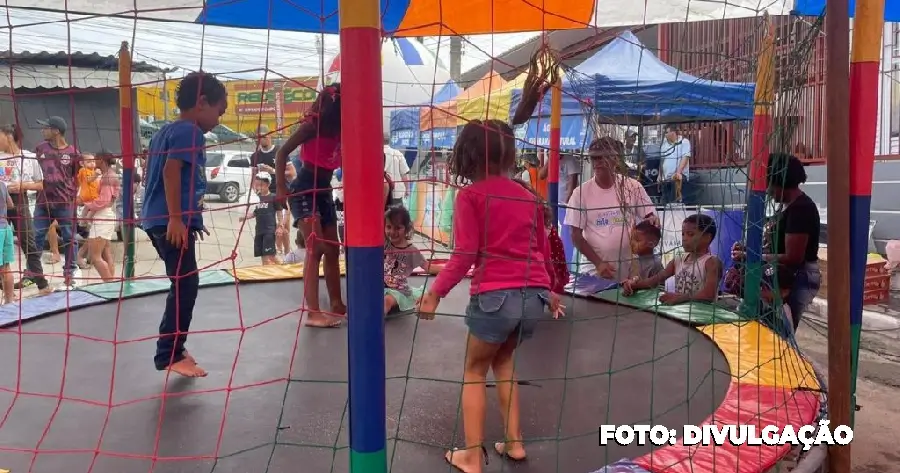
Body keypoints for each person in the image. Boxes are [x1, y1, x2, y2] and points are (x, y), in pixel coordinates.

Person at [417, 119, 564, 472]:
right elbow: (542, 251)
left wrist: (435, 293)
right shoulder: (529, 197)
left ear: (465, 157)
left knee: (474, 370)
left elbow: (465, 254)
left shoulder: (470, 196)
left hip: (496, 297)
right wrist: (552, 291)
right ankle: (514, 442)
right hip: (533, 297)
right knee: (504, 363)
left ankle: (471, 454)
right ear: (509, 154)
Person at [141, 71, 225, 378]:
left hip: (159, 220)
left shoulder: (168, 130)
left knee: (183, 282)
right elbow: (171, 172)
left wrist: (191, 219)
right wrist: (177, 218)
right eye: (219, 110)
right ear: (202, 102)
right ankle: (170, 353)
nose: (219, 118)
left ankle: (173, 348)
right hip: (168, 221)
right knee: (186, 284)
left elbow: (176, 176)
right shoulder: (191, 132)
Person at [275, 83, 345, 328]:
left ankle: (336, 303)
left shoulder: (342, 131)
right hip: (304, 189)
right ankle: (313, 312)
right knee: (316, 249)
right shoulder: (311, 127)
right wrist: (281, 187)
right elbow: (282, 152)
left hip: (324, 191)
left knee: (333, 250)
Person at [731, 153, 820, 331]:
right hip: (779, 274)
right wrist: (749, 248)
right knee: (765, 326)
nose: (767, 190)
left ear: (779, 182)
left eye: (768, 184)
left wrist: (752, 255)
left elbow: (793, 257)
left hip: (797, 277)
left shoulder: (800, 209)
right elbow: (774, 244)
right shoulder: (785, 205)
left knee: (781, 331)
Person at [565, 137, 659, 282]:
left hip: (629, 273)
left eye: (603, 157)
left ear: (616, 159)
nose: (598, 162)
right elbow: (575, 235)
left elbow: (649, 214)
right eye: (594, 158)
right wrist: (598, 263)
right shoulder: (580, 193)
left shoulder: (633, 186)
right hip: (594, 274)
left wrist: (652, 219)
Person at [622, 213, 722, 305]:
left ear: (707, 237)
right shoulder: (678, 259)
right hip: (681, 313)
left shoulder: (711, 262)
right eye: (683, 234)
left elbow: (709, 295)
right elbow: (654, 280)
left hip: (703, 318)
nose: (685, 238)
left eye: (691, 234)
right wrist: (633, 286)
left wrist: (681, 297)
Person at [0, 124, 50, 294]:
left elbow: (42, 184)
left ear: (8, 136)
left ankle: (42, 283)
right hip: (1, 204)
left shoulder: (28, 157)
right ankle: (6, 287)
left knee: (28, 243)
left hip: (20, 202)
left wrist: (24, 185)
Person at [34, 115, 81, 289]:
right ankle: (32, 273)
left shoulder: (73, 153)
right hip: (43, 202)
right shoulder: (40, 148)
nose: (42, 130)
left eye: (45, 127)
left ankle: (69, 274)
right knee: (36, 236)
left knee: (69, 238)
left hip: (65, 203)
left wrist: (71, 195)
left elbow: (75, 176)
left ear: (56, 131)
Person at [383, 206, 435, 316]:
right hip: (382, 286)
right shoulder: (384, 244)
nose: (392, 231)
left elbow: (427, 266)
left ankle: (373, 319)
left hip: (399, 291)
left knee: (386, 301)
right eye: (388, 227)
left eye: (398, 228)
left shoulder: (411, 250)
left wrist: (451, 268)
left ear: (406, 229)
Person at [81, 152, 120, 282]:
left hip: (103, 216)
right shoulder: (106, 175)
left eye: (96, 159)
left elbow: (104, 200)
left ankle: (109, 283)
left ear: (102, 160)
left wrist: (87, 205)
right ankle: (111, 282)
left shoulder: (108, 177)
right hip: (107, 214)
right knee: (106, 253)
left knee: (95, 256)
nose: (94, 161)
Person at [251, 125, 289, 254]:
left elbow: (292, 173)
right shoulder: (255, 156)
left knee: (283, 226)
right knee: (267, 228)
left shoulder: (280, 152)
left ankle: (287, 254)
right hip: (265, 196)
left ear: (270, 135)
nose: (262, 140)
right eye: (259, 137)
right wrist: (254, 193)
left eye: (264, 136)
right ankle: (274, 252)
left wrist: (273, 171)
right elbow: (253, 177)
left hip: (280, 192)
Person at [240, 173, 280, 266]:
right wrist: (244, 217)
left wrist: (280, 226)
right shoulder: (256, 198)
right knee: (262, 255)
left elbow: (279, 212)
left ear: (268, 184)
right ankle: (265, 272)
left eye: (261, 185)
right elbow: (255, 213)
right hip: (259, 230)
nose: (258, 187)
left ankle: (284, 268)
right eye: (257, 185)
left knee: (270, 255)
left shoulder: (273, 197)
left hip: (269, 230)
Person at [75, 153, 102, 268]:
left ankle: (84, 222)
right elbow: (89, 180)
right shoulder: (83, 170)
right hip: (88, 197)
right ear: (82, 163)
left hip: (93, 197)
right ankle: (85, 221)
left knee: (88, 210)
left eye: (93, 161)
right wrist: (96, 175)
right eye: (89, 161)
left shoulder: (92, 171)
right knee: (89, 211)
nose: (92, 163)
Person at [658, 124, 691, 205]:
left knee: (674, 202)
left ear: (673, 133)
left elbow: (685, 158)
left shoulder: (684, 142)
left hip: (678, 177)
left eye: (666, 132)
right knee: (664, 202)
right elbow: (662, 160)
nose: (664, 134)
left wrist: (678, 173)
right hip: (665, 178)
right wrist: (659, 175)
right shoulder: (664, 144)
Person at [0, 179, 15, 304]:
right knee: (6, 268)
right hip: (6, 228)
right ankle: (9, 301)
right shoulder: (2, 184)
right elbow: (10, 204)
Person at [384, 142, 410, 207]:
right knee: (396, 215)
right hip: (396, 193)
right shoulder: (397, 153)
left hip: (381, 193)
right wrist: (407, 189)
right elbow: (404, 174)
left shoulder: (375, 152)